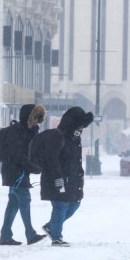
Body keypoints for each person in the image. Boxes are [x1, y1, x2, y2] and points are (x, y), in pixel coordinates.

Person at [33, 106, 94, 247]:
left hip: (71, 178)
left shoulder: (74, 138)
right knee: (60, 206)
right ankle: (56, 237)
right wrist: (58, 179)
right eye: (80, 125)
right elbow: (52, 160)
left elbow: (75, 160)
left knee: (74, 204)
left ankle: (51, 227)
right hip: (56, 178)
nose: (81, 129)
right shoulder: (58, 137)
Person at [0, 103, 47, 246]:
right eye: (36, 117)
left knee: (13, 204)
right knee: (24, 200)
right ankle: (30, 234)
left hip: (16, 171)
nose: (38, 121)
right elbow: (18, 154)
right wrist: (33, 167)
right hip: (16, 172)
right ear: (30, 116)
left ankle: (5, 236)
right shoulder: (19, 131)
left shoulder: (28, 130)